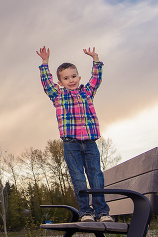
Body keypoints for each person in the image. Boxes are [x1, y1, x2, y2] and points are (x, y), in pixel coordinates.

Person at [36, 45, 112, 222]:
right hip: (71, 143)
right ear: (60, 82)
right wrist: (45, 62)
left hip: (90, 142)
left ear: (79, 77)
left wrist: (96, 60)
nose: (71, 80)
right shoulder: (58, 95)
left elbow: (96, 79)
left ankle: (102, 212)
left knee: (95, 175)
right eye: (66, 78)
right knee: (78, 177)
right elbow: (46, 83)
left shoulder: (87, 92)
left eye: (73, 76)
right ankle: (86, 212)